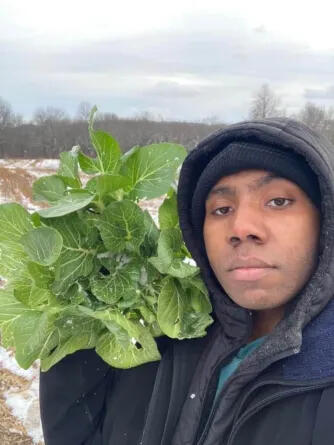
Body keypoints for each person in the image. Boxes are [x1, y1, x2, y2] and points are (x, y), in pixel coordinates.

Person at [40, 117, 334, 445]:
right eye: (221, 209)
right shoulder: (163, 337)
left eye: (278, 201)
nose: (241, 227)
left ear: (325, 220)